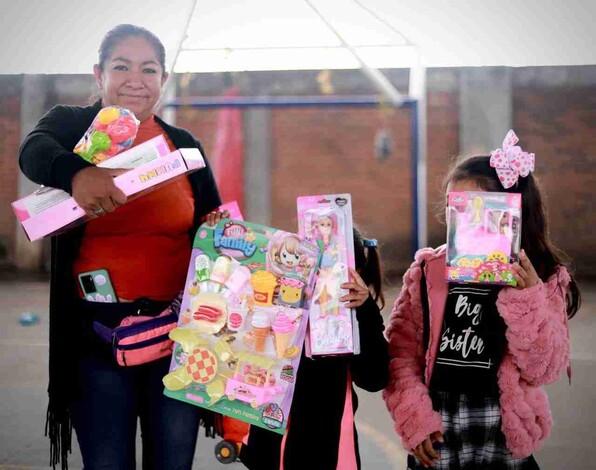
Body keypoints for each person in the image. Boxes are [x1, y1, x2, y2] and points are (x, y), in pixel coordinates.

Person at [18, 24, 227, 470]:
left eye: (149, 69)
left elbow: (213, 229)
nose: (136, 78)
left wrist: (220, 232)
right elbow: (33, 150)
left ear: (164, 79)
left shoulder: (185, 147)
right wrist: (75, 173)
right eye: (121, 66)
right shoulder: (73, 126)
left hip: (179, 338)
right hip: (97, 337)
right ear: (99, 74)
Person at [383, 132, 581, 469]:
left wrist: (527, 298)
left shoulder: (543, 276)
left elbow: (543, 369)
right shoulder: (428, 270)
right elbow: (401, 355)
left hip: (502, 435)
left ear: (510, 213)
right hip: (437, 431)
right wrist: (415, 419)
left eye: (476, 207)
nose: (462, 218)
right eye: (453, 206)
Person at [239, 226, 390, 470]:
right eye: (308, 264)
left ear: (356, 273)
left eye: (330, 268)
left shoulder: (350, 320)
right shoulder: (276, 308)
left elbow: (374, 379)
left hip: (327, 453)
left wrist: (364, 309)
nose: (316, 277)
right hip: (270, 447)